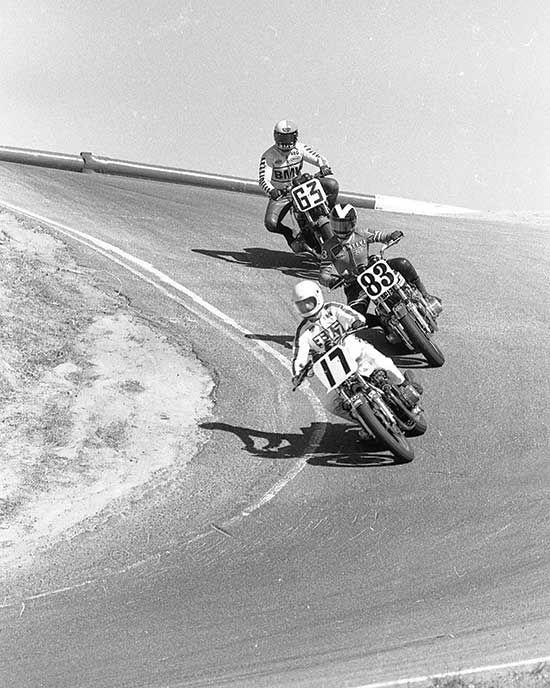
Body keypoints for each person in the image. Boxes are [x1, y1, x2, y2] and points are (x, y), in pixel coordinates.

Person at [290, 280, 422, 431]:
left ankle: (405, 385)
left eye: (309, 302)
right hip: (336, 371)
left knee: (384, 363)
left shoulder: (332, 309)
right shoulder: (303, 332)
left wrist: (356, 322)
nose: (306, 307)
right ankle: (368, 424)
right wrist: (297, 374)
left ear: (318, 297)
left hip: (356, 351)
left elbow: (351, 315)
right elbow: (298, 355)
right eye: (301, 304)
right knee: (331, 404)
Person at [319, 203, 442, 335]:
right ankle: (381, 321)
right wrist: (331, 280)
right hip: (354, 284)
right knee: (354, 316)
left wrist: (392, 236)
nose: (341, 230)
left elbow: (381, 236)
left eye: (345, 225)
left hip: (374, 269)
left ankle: (425, 294)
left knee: (403, 263)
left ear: (354, 222)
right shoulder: (328, 247)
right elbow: (323, 274)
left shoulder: (362, 233)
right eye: (337, 225)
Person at [259, 119, 339, 254]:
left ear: (295, 136)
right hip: (283, 193)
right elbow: (263, 179)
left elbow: (317, 157)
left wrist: (323, 166)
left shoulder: (300, 148)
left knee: (332, 185)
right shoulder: (268, 156)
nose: (285, 141)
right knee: (271, 224)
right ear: (275, 136)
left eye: (289, 137)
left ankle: (332, 214)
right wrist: (272, 191)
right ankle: (290, 235)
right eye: (282, 137)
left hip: (301, 185)